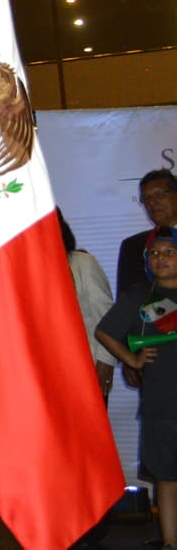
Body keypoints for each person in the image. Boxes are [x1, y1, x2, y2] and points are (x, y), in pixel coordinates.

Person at [96, 225, 177, 550]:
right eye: (154, 254)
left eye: (169, 252)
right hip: (161, 405)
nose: (161, 259)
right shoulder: (140, 298)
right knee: (167, 478)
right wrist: (131, 358)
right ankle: (170, 542)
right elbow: (104, 332)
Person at [59, 209, 115, 401]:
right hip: (43, 371)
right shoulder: (24, 268)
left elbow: (106, 315)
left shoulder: (82, 262)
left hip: (86, 368)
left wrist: (106, 360)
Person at [118, 170, 177, 294]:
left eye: (159, 194)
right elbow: (125, 298)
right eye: (146, 198)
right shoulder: (132, 246)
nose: (152, 202)